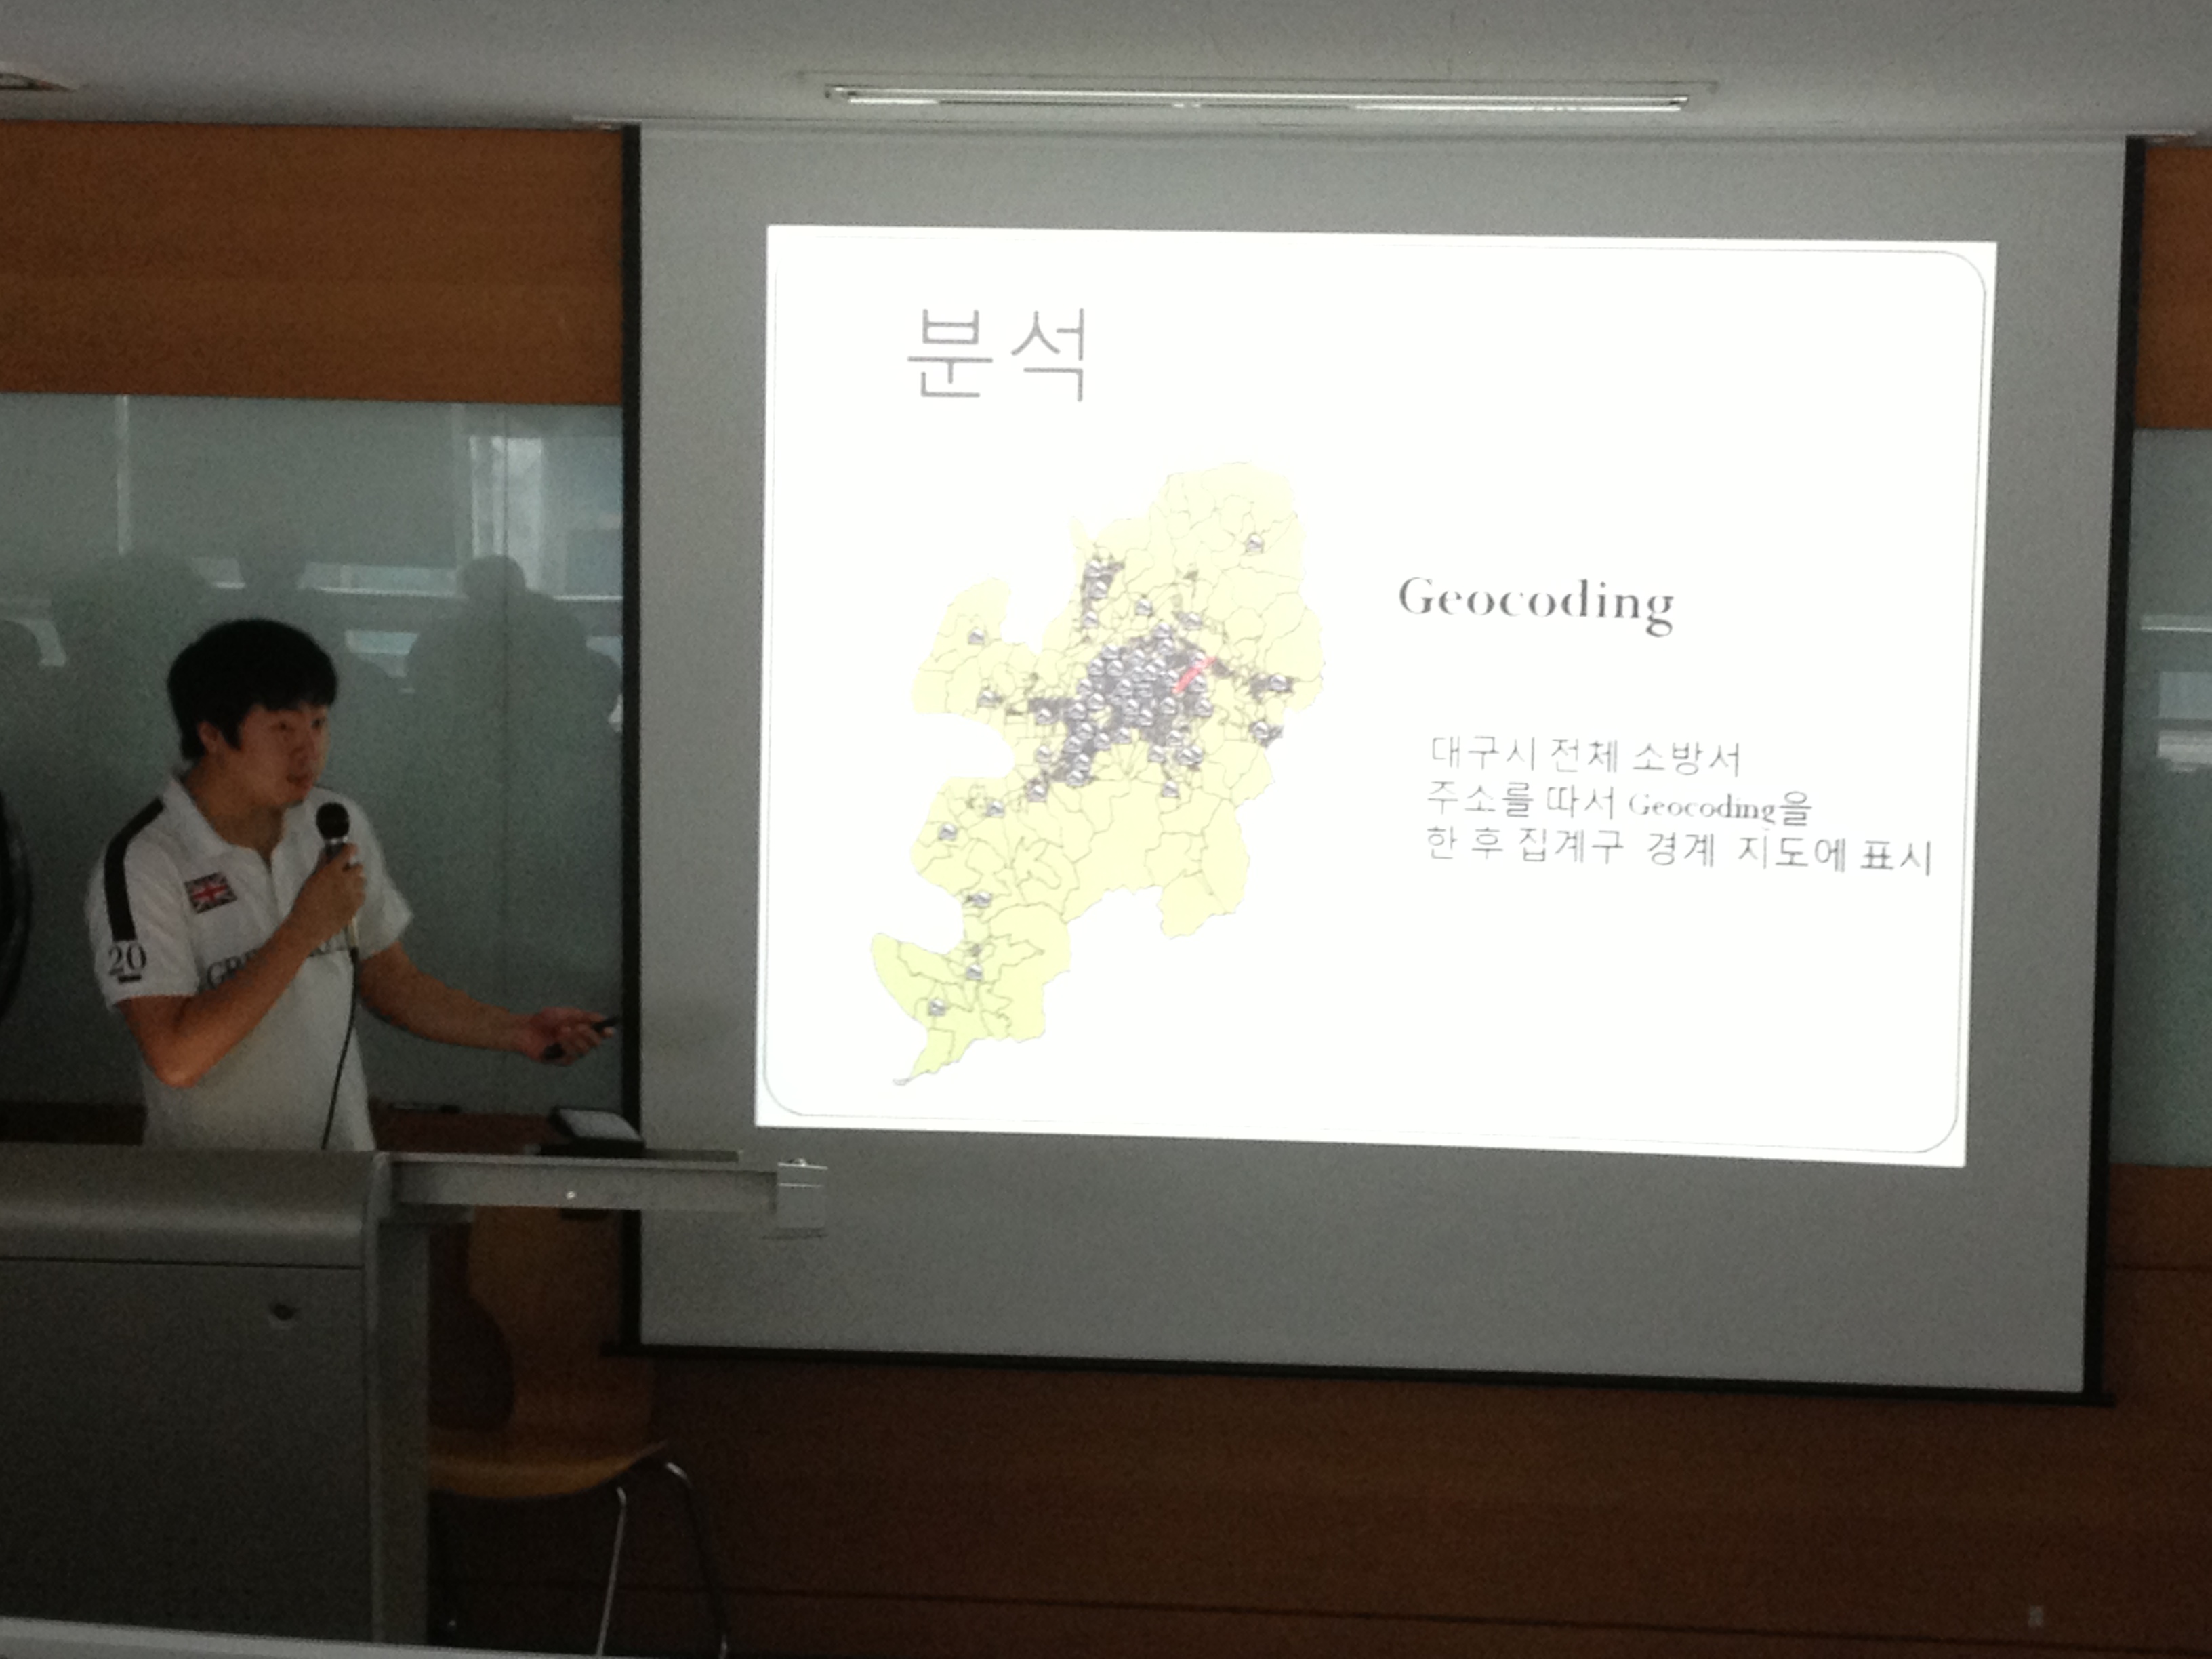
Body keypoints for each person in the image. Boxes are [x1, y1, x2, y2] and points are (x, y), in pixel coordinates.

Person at [84, 618, 607, 1151]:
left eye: (318, 723)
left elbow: (390, 980)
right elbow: (176, 1058)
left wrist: (517, 1031)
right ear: (213, 735)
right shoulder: (146, 861)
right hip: (217, 1183)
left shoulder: (334, 822)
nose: (308, 750)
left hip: (341, 1166)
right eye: (282, 729)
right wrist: (302, 931)